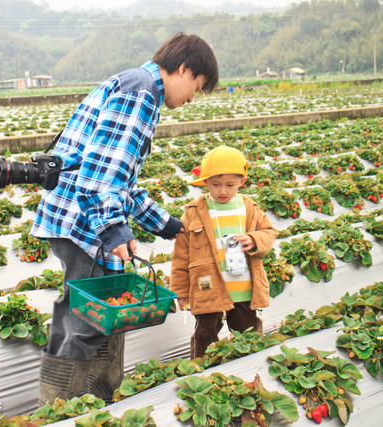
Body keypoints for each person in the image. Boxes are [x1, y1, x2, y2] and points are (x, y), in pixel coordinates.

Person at [31, 32, 219, 405]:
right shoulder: (141, 92)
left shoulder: (134, 85)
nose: (191, 98)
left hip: (78, 219)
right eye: (195, 87)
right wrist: (116, 231)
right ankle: (62, 408)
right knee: (86, 322)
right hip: (83, 224)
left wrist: (166, 224)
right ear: (183, 69)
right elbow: (100, 180)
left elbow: (120, 182)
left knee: (93, 314)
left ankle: (96, 398)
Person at [170, 146, 278, 359]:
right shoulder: (194, 212)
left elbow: (269, 232)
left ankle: (250, 365)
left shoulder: (250, 207)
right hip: (208, 287)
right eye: (215, 184)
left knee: (247, 331)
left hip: (244, 287)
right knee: (205, 334)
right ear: (205, 182)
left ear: (242, 182)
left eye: (230, 185)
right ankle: (201, 369)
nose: (222, 191)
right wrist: (181, 291)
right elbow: (181, 255)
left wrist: (255, 239)